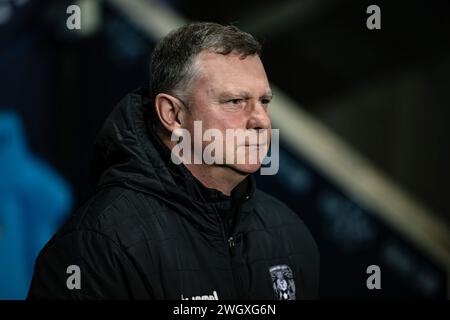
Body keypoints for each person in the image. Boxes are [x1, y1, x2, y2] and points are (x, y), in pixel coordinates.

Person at [27, 22, 319, 300]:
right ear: (172, 114)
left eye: (264, 102)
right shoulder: (99, 244)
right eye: (235, 102)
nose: (260, 121)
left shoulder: (288, 232)